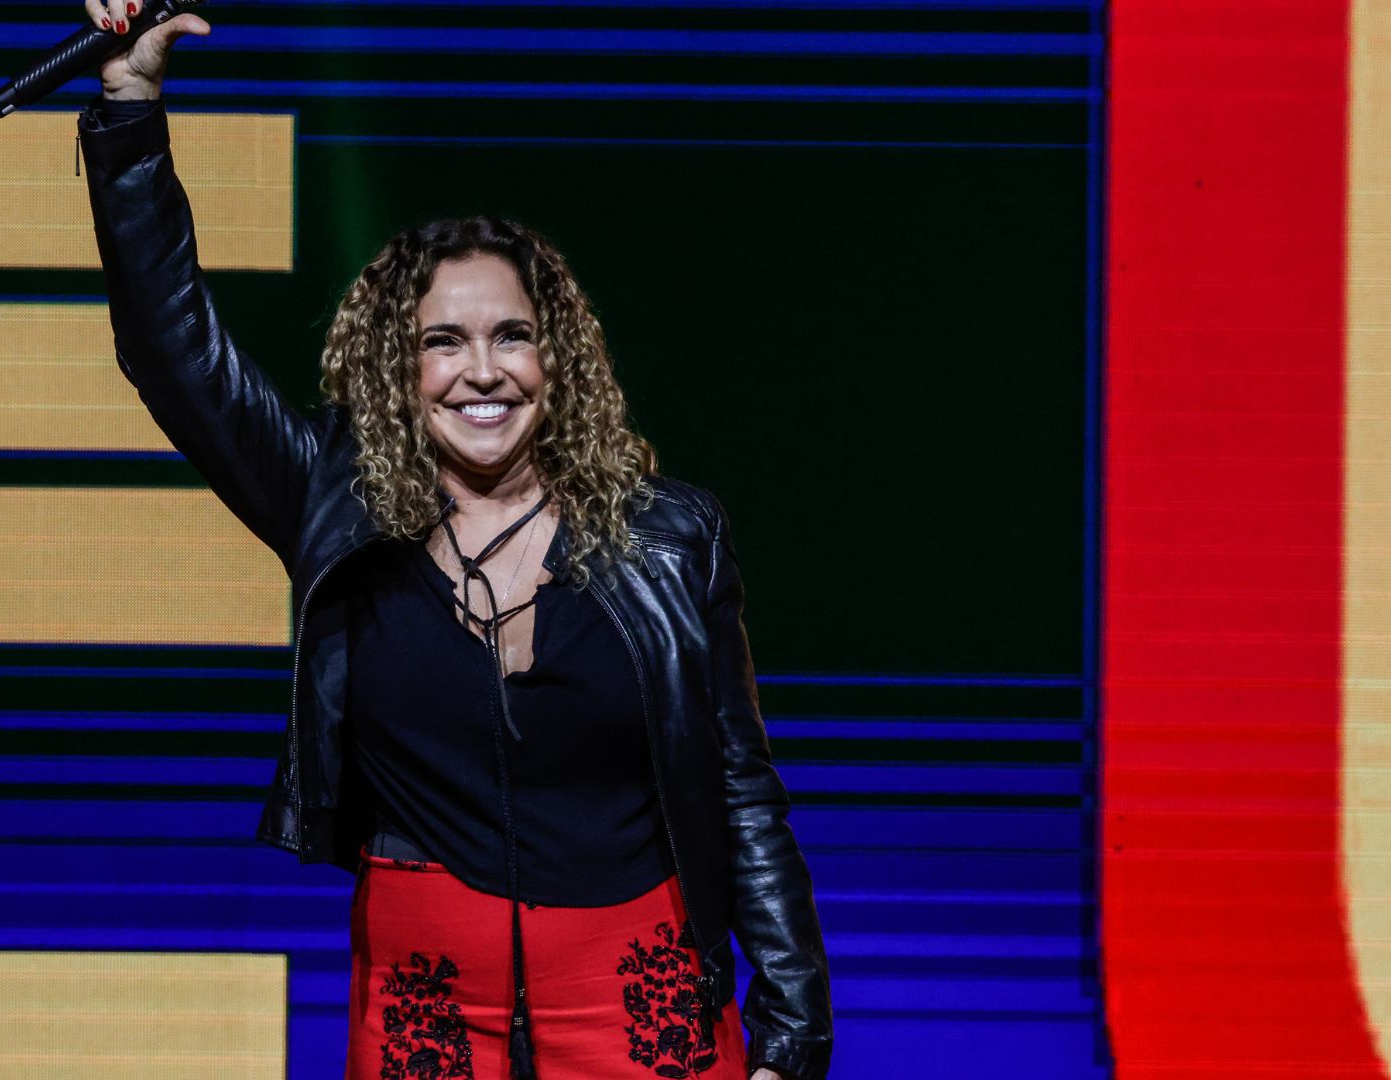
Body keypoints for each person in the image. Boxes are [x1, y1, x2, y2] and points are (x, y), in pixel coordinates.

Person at [73, 5, 832, 1078]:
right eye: (444, 342)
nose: (483, 371)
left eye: (511, 335)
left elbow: (741, 789)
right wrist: (130, 109)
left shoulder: (671, 535)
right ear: (399, 368)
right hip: (426, 1005)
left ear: (556, 358)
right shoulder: (333, 499)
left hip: (639, 995)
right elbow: (172, 351)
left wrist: (793, 1036)